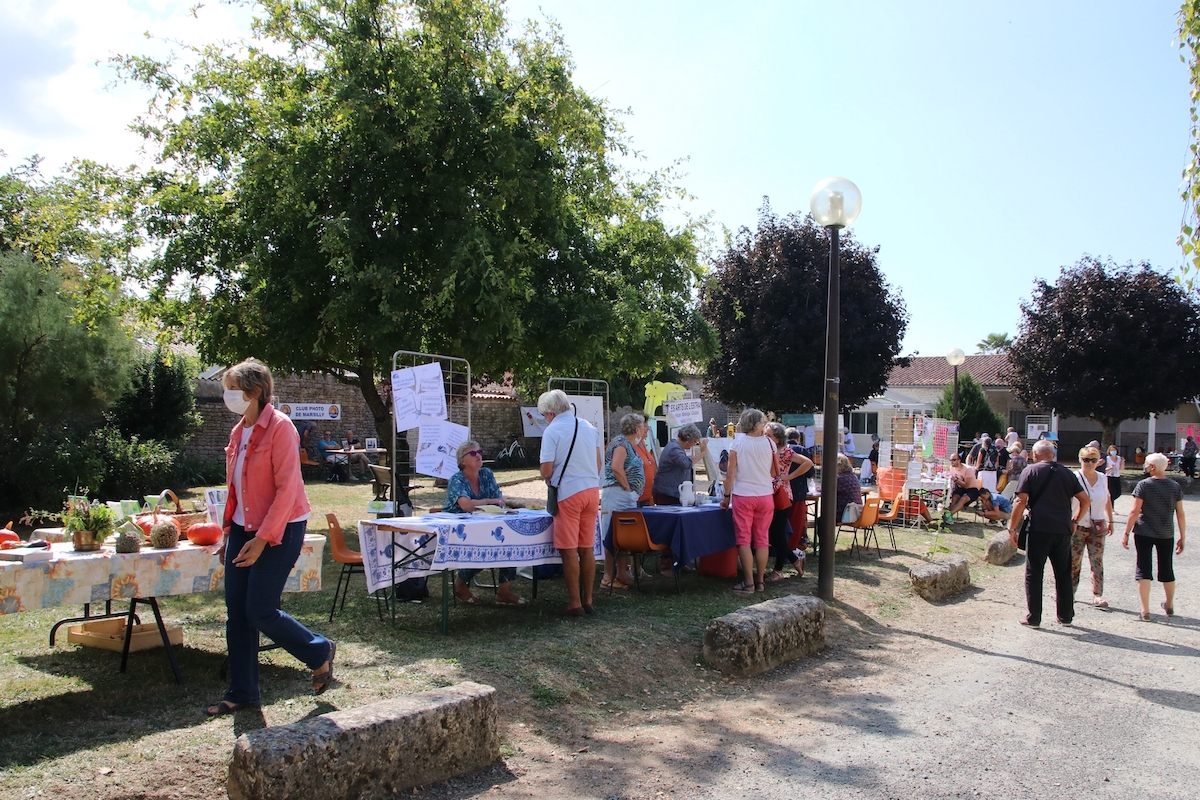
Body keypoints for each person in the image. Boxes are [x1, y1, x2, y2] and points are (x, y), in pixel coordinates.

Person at [206, 359, 333, 716]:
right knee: (237, 613)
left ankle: (318, 651)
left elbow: (287, 490)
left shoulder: (281, 429)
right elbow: (235, 489)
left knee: (259, 609)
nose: (227, 396)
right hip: (243, 529)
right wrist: (228, 532)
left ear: (254, 392)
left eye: (232, 389)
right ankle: (243, 692)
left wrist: (262, 539)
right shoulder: (237, 433)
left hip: (282, 528)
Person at [1008, 440, 1090, 628]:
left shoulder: (1030, 471)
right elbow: (1085, 500)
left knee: (1034, 572)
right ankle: (1066, 616)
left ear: (1035, 455)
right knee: (1063, 573)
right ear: (1053, 455)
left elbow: (1020, 501)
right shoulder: (1067, 473)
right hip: (1062, 528)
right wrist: (1075, 521)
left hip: (1038, 527)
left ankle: (1034, 617)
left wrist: (1012, 528)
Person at [538, 389, 602, 617]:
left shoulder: (552, 430)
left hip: (568, 493)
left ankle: (574, 602)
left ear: (549, 413)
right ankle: (588, 600)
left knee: (569, 550)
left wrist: (548, 477)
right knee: (587, 549)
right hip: (592, 491)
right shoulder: (588, 426)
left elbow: (546, 469)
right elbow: (598, 464)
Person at [444, 441, 525, 606]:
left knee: (510, 539)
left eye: (479, 452)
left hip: (486, 523)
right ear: (462, 461)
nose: (478, 455)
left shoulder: (487, 474)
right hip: (458, 529)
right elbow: (466, 505)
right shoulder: (457, 479)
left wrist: (493, 503)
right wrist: (490, 501)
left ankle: (504, 591)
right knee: (482, 546)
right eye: (473, 454)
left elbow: (500, 501)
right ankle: (460, 584)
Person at [1122, 452, 1186, 621]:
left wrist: (1126, 531)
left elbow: (1135, 511)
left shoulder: (1143, 485)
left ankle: (1145, 610)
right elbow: (1180, 514)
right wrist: (1182, 536)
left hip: (1144, 531)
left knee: (1143, 568)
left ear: (1152, 466)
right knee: (1166, 568)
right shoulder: (1174, 486)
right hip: (1166, 532)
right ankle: (1170, 604)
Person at [720, 409, 774, 593]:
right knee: (762, 539)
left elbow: (730, 473)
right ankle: (760, 581)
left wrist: (726, 496)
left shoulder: (738, 442)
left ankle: (748, 582)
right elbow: (774, 472)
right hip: (765, 494)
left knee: (744, 539)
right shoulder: (769, 442)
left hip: (744, 494)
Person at [600, 413, 645, 590]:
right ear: (636, 429)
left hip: (624, 496)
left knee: (623, 536)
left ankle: (621, 574)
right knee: (611, 535)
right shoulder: (621, 443)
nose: (644, 430)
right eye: (642, 427)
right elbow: (616, 467)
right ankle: (608, 577)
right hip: (617, 495)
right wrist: (627, 487)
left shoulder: (629, 444)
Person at [763, 422, 810, 581]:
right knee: (771, 532)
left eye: (768, 435)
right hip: (766, 493)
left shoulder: (785, 451)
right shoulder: (765, 450)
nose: (765, 437)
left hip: (781, 494)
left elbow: (808, 463)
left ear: (778, 437)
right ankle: (794, 559)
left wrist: (789, 476)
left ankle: (778, 570)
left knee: (777, 532)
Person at [1071, 445, 1114, 608]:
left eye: (1093, 460)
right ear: (1080, 460)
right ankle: (1070, 591)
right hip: (1078, 525)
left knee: (1097, 560)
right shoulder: (1074, 477)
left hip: (1097, 524)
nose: (1089, 463)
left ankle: (1097, 594)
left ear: (1099, 462)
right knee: (1074, 561)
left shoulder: (1103, 478)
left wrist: (1110, 520)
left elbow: (1107, 499)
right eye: (1085, 460)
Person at [651, 424, 708, 506]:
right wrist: (703, 453)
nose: (694, 444)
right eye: (695, 442)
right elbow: (686, 463)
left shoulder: (676, 447)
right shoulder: (674, 449)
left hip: (671, 492)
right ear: (688, 440)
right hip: (667, 493)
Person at [785, 427, 816, 550]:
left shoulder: (781, 449)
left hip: (782, 491)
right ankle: (793, 546)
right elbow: (810, 472)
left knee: (782, 521)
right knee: (796, 521)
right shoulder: (802, 450)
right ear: (798, 439)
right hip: (798, 490)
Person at [945, 453, 980, 520]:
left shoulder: (968, 469)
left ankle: (948, 515)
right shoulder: (952, 467)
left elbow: (967, 485)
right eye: (950, 460)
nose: (951, 462)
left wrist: (955, 479)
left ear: (959, 460)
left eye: (954, 460)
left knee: (963, 499)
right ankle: (948, 516)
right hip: (960, 488)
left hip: (972, 489)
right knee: (954, 498)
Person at [632, 414, 657, 508]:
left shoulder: (642, 443)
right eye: (645, 426)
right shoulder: (630, 446)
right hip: (636, 498)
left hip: (647, 497)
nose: (648, 429)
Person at [834, 453, 862, 524]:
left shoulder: (840, 479)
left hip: (846, 514)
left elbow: (828, 492)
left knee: (822, 519)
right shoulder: (853, 477)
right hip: (857, 512)